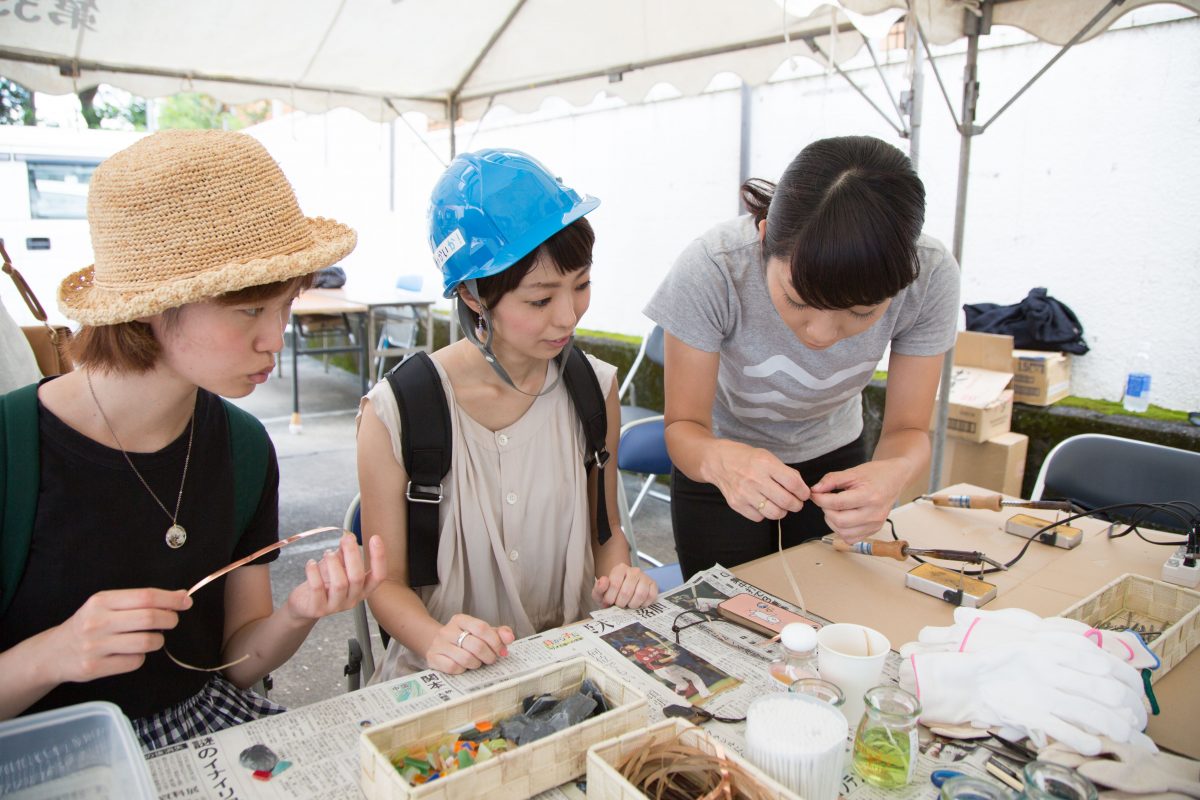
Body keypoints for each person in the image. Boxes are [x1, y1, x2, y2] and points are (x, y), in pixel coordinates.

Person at [0, 130, 386, 749]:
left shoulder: (241, 445)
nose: (275, 338)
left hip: (200, 729)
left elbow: (237, 665)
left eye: (285, 306)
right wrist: (54, 654)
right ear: (155, 304)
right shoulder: (13, 448)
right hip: (43, 754)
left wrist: (301, 611)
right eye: (249, 311)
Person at [358, 148, 657, 679]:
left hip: (572, 659)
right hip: (445, 676)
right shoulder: (397, 412)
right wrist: (436, 638)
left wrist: (621, 576)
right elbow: (384, 584)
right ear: (474, 297)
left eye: (582, 285)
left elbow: (606, 532)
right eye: (540, 300)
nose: (568, 316)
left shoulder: (594, 388)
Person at [644, 135, 960, 578]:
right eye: (797, 300)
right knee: (724, 618)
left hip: (836, 459)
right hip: (721, 460)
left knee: (829, 604)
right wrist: (719, 461)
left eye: (860, 312)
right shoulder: (714, 266)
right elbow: (683, 427)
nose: (821, 334)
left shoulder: (931, 275)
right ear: (765, 234)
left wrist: (892, 473)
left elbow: (908, 429)